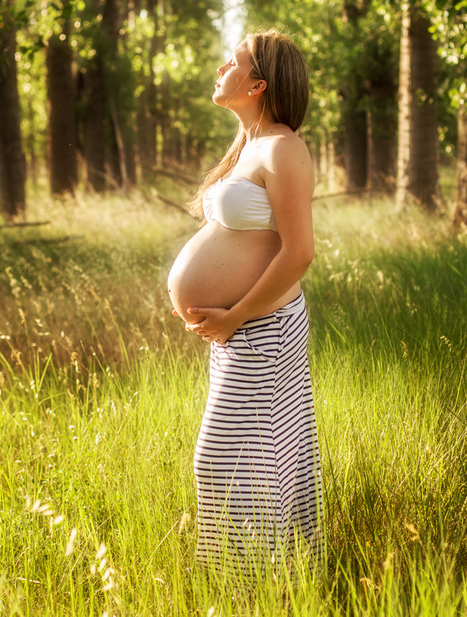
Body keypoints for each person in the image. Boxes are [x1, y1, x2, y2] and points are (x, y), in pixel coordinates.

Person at [166, 29, 324, 577]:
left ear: (257, 84)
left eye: (230, 63)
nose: (219, 69)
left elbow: (299, 251)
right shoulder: (251, 147)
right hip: (245, 328)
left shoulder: (284, 148)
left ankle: (256, 583)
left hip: (263, 325)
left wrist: (235, 314)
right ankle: (260, 585)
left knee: (226, 460)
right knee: (255, 457)